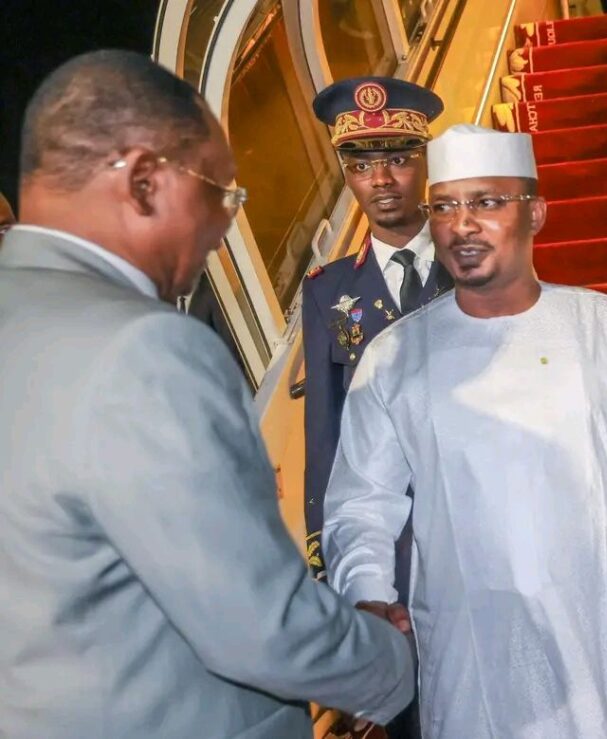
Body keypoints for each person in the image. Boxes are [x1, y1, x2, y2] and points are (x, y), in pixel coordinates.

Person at [0, 50, 413, 738]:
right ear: (143, 183)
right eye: (220, 193)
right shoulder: (144, 349)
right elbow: (261, 626)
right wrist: (395, 663)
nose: (224, 229)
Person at [321, 123, 607, 739]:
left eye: (486, 202)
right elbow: (360, 506)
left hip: (606, 645)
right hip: (469, 661)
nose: (462, 225)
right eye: (444, 207)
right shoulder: (394, 358)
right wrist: (368, 601)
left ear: (534, 213)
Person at [303, 76, 451, 583]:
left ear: (426, 162)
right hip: (388, 537)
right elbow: (325, 427)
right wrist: (326, 546)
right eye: (361, 166)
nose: (381, 179)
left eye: (399, 159)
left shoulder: (474, 264)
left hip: (481, 509)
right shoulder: (328, 290)